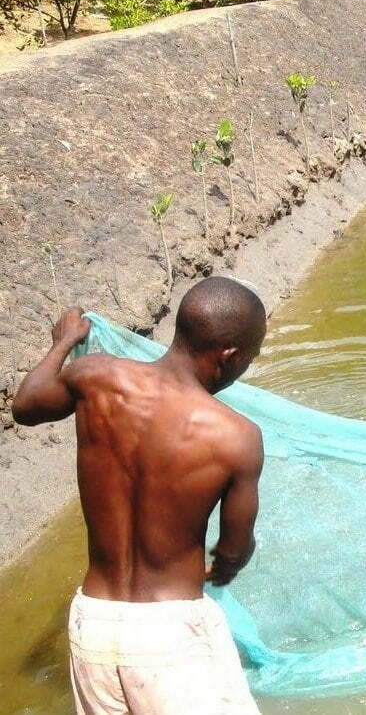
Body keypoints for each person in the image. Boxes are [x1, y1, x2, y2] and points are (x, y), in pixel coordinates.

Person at [14, 276, 268, 714]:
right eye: (251, 355)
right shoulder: (236, 437)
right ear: (228, 356)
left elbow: (27, 404)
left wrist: (63, 342)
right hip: (171, 635)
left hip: (93, 625)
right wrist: (226, 566)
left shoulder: (95, 376)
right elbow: (233, 548)